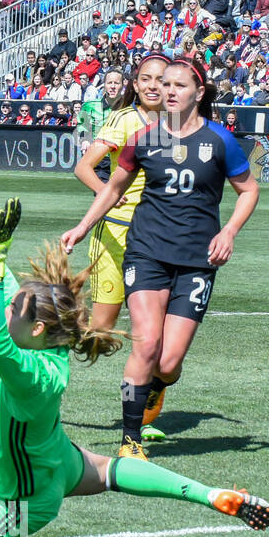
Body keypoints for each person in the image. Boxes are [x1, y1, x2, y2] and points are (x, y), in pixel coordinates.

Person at [0, 147, 269, 537]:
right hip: (57, 458)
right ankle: (212, 495)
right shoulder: (42, 342)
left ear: (34, 329)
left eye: (12, 306)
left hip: (21, 502)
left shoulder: (33, 374)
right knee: (113, 473)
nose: (5, 305)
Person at [61, 58, 260, 460]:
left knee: (167, 363)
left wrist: (229, 231)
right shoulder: (144, 137)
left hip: (197, 260)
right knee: (147, 344)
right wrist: (82, 227)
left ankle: (158, 386)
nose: (169, 91)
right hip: (147, 251)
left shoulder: (220, 140)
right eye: (165, 84)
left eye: (179, 85)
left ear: (198, 93)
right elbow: (113, 188)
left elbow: (249, 190)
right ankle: (130, 440)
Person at [71, 58, 164, 340]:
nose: (152, 85)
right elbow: (83, 167)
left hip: (156, 236)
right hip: (115, 230)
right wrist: (105, 192)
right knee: (100, 331)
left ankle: (146, 383)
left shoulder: (176, 122)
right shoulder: (124, 119)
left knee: (152, 333)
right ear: (135, 85)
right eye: (145, 79)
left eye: (160, 79)